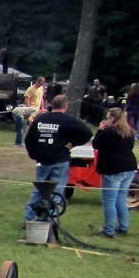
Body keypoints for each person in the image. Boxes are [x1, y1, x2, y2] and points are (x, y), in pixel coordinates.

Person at [23, 94, 92, 222]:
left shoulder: (40, 118)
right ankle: (49, 220)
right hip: (60, 160)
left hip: (43, 160)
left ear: (52, 105)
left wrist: (34, 154)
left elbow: (28, 139)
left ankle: (29, 218)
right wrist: (73, 143)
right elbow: (87, 133)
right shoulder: (68, 120)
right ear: (66, 106)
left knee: (39, 190)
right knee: (57, 191)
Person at [91, 107, 136, 237]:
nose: (106, 120)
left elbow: (96, 144)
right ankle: (123, 226)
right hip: (129, 167)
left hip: (113, 168)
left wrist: (100, 129)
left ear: (112, 118)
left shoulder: (109, 132)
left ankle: (109, 230)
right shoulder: (130, 132)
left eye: (108, 117)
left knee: (109, 201)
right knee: (121, 198)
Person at [14, 76, 46, 146]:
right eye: (40, 84)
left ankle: (31, 140)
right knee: (28, 125)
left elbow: (41, 98)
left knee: (35, 125)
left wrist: (42, 107)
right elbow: (26, 99)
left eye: (42, 84)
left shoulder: (41, 88)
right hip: (31, 109)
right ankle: (24, 141)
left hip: (37, 110)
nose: (40, 85)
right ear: (37, 82)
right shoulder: (31, 89)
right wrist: (29, 108)